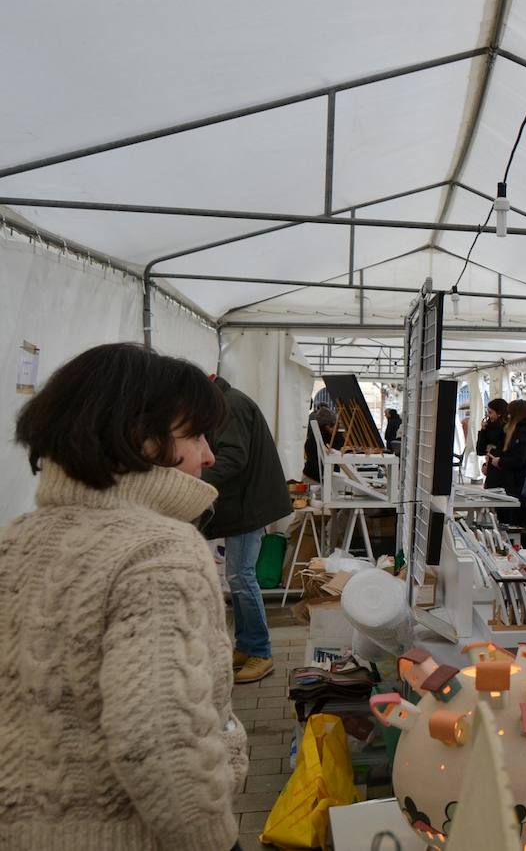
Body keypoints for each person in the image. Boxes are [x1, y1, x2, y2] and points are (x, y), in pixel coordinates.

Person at [1, 343, 247, 849]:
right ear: (142, 439)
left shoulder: (14, 541)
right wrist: (215, 838)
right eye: (195, 434)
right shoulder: (160, 551)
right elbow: (159, 740)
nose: (208, 455)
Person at [203, 374, 292, 684]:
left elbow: (233, 457)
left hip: (249, 505)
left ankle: (261, 652)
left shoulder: (231, 406)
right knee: (237, 577)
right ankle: (247, 645)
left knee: (242, 577)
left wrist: (194, 477)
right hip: (246, 502)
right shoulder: (227, 404)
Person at [487, 399, 526, 542]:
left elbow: (518, 460)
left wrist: (500, 461)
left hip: (519, 486)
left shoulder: (521, 432)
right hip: (525, 485)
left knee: (521, 523)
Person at [303, 406, 345, 483]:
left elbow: (344, 450)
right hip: (314, 478)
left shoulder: (338, 437)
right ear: (323, 426)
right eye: (330, 426)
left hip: (330, 478)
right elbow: (315, 464)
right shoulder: (313, 440)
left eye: (335, 425)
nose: (333, 428)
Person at [478, 398, 509, 489]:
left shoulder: (506, 429)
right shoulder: (488, 427)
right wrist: (483, 431)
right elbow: (480, 450)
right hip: (491, 469)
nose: (488, 415)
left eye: (490, 412)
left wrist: (491, 449)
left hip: (501, 470)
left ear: (499, 413)